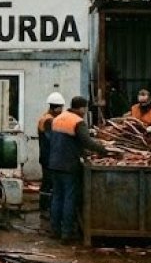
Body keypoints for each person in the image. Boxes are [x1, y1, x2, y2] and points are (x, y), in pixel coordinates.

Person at [47, 96, 109, 241]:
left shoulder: (58, 118)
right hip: (69, 165)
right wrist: (104, 150)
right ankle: (66, 233)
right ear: (81, 108)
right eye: (85, 108)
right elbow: (87, 142)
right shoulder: (77, 121)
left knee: (57, 197)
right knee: (69, 198)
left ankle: (55, 230)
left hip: (54, 163)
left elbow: (63, 141)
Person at [37, 92, 66, 221]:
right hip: (48, 156)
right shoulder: (49, 120)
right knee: (48, 183)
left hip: (46, 155)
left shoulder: (45, 117)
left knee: (47, 182)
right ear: (58, 108)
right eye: (61, 108)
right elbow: (53, 139)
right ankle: (45, 209)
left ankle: (46, 208)